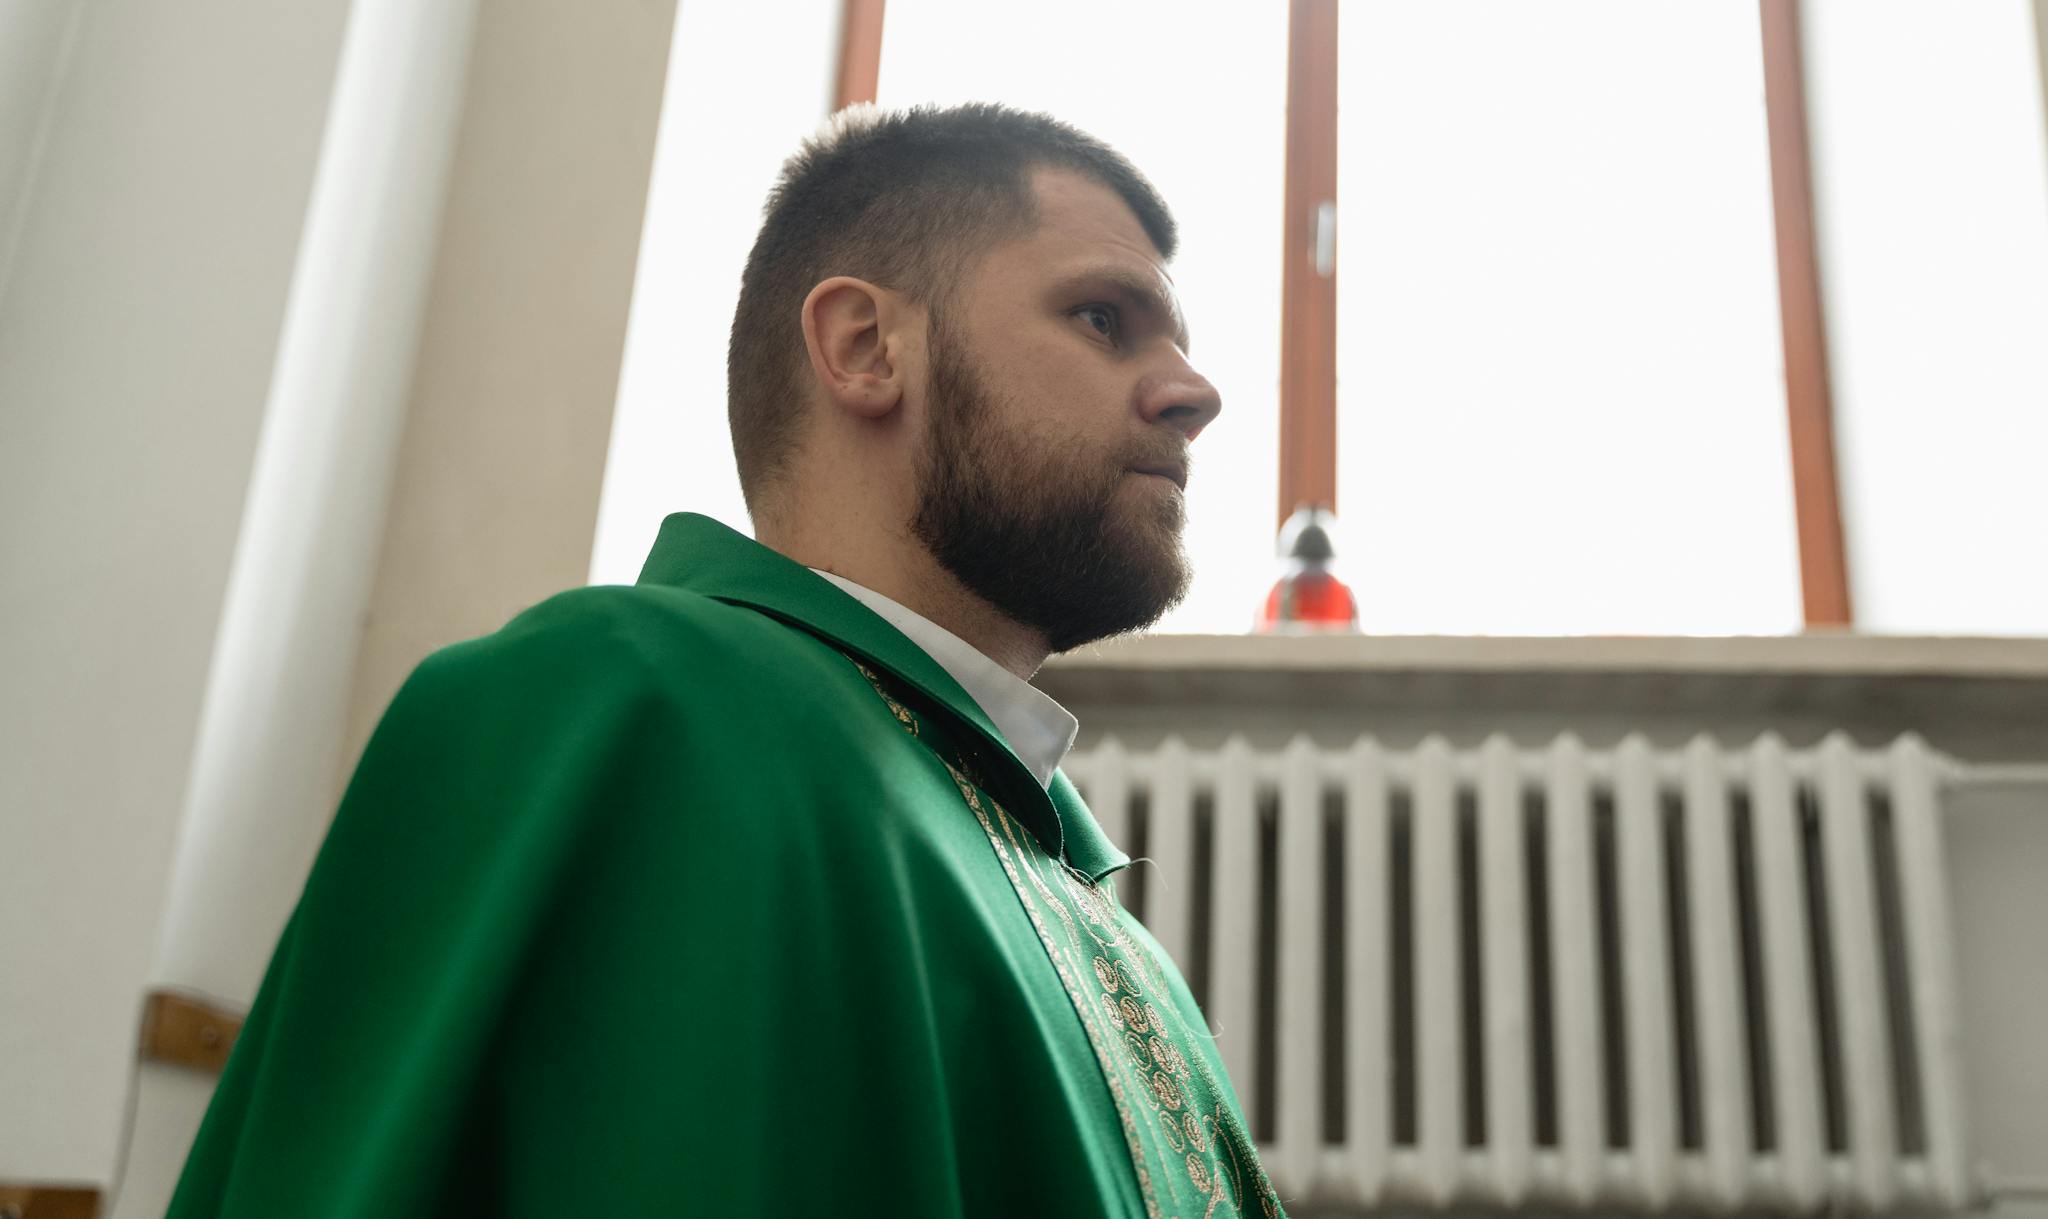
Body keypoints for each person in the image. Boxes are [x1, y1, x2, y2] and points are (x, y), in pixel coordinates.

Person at [167, 101, 1281, 1219]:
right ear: (864, 346)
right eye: (1102, 317)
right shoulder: (610, 704)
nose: (1194, 392)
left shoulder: (1111, 937)